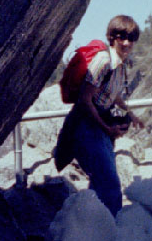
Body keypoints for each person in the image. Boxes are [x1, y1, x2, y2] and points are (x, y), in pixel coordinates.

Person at [60, 15, 144, 215]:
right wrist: (106, 128)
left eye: (131, 38)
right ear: (112, 38)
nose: (126, 43)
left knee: (102, 183)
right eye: (121, 37)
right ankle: (108, 234)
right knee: (109, 185)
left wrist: (130, 115)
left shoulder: (121, 65)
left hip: (101, 130)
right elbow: (85, 99)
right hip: (87, 127)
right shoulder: (103, 60)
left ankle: (92, 228)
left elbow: (111, 95)